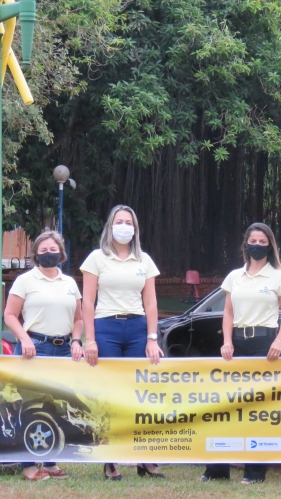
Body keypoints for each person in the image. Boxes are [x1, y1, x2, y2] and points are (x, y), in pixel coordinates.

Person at [201, 222, 281, 485]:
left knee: (258, 409)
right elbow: (228, 312)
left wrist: (278, 340)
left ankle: (254, 472)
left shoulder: (278, 277)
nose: (257, 245)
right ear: (246, 244)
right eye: (253, 241)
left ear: (270, 245)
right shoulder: (234, 277)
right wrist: (227, 341)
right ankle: (217, 470)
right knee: (225, 406)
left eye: (263, 242)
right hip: (236, 346)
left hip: (264, 345)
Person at [80, 204, 165, 480]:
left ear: (135, 228)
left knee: (139, 394)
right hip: (106, 328)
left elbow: (151, 302)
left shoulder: (145, 261)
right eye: (120, 221)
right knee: (110, 394)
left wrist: (152, 338)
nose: (124, 226)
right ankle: (111, 459)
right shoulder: (96, 258)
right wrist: (89, 339)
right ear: (110, 225)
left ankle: (144, 458)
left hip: (138, 328)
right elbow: (88, 302)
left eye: (129, 222)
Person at [4, 230, 84, 481]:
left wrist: (77, 340)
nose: (49, 254)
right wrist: (25, 339)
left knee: (56, 405)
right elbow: (9, 315)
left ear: (61, 253)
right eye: (44, 250)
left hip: (63, 350)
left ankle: (50, 463)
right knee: (29, 406)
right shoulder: (25, 280)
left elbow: (79, 318)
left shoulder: (69, 282)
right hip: (34, 349)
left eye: (53, 250)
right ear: (36, 254)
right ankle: (28, 465)